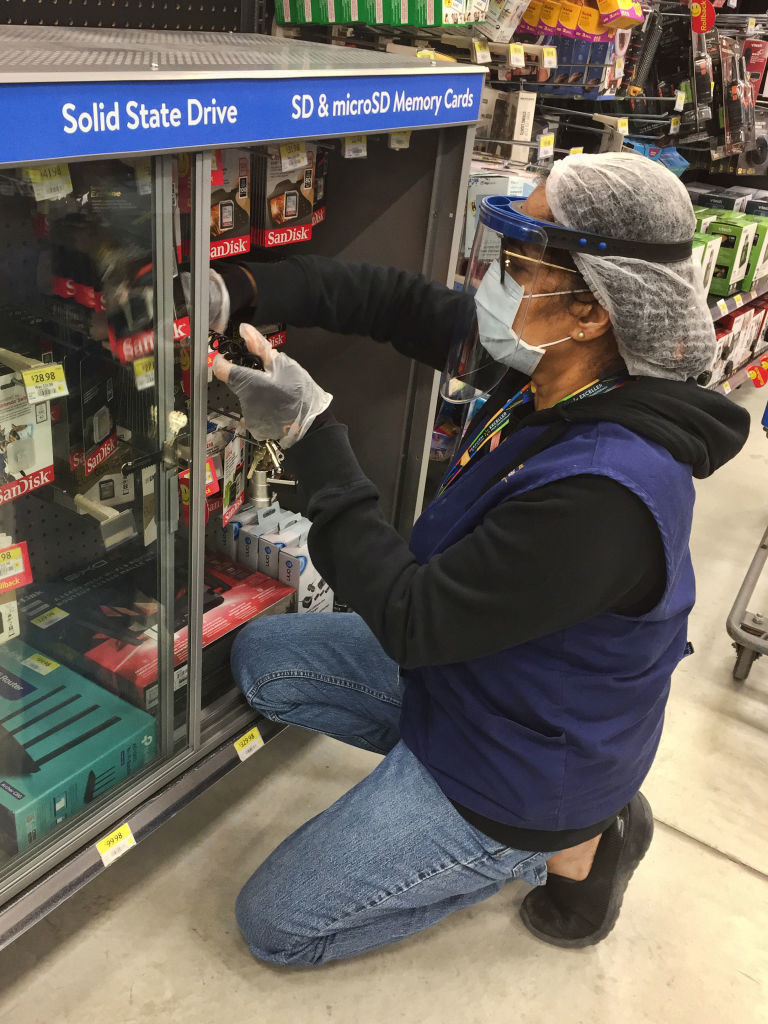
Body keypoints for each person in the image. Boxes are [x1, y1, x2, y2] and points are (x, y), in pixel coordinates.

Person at [209, 152, 750, 965]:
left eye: (516, 265)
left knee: (276, 925)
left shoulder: (607, 490)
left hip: (522, 766)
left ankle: (563, 844)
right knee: (264, 661)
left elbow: (411, 619)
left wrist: (311, 436)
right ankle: (434, 802)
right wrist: (238, 290)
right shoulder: (560, 372)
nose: (492, 281)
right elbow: (396, 304)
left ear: (594, 309)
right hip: (483, 680)